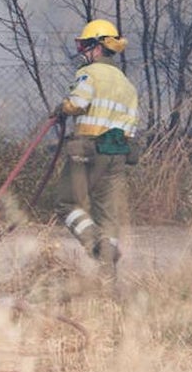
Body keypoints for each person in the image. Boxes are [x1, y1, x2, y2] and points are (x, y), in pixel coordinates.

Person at [52, 19, 141, 277]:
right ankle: (108, 274)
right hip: (117, 156)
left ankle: (96, 244)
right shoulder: (126, 84)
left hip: (88, 152)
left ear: (98, 47)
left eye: (86, 47)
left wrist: (62, 108)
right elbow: (131, 125)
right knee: (107, 214)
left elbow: (77, 103)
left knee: (67, 203)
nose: (84, 53)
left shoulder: (90, 74)